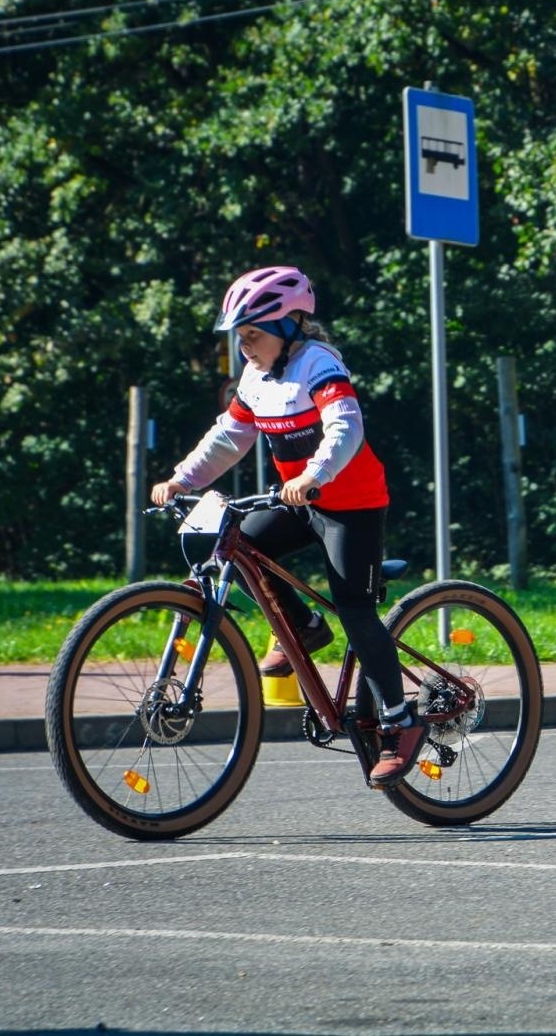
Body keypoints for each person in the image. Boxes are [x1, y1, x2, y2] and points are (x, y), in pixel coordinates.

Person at [150, 266, 420, 787]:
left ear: (289, 326)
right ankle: (304, 627)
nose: (244, 346)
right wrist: (182, 479)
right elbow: (229, 437)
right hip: (300, 500)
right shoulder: (256, 378)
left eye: (253, 334)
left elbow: (345, 426)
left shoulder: (319, 364)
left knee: (356, 610)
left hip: (351, 504)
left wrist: (316, 473)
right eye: (240, 336)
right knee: (242, 543)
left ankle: (400, 721)